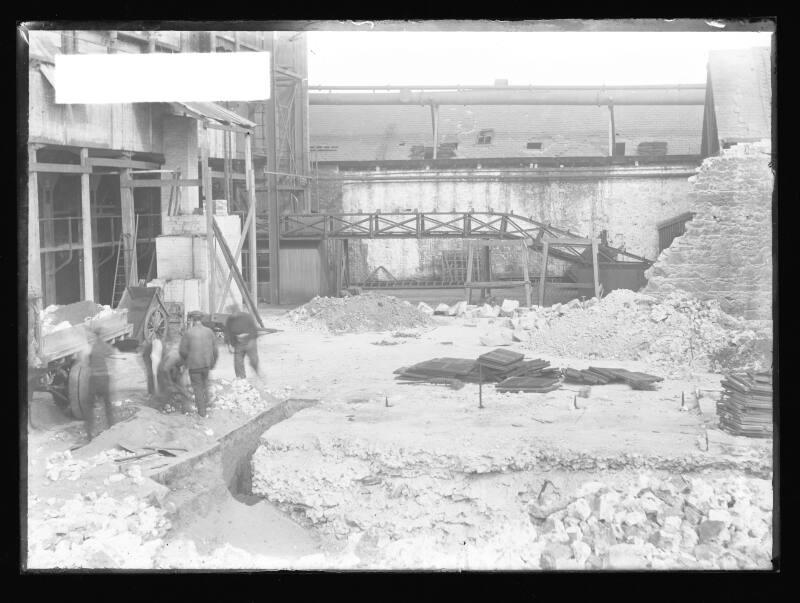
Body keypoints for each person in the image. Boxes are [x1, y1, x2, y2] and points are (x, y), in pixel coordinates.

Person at [179, 311, 218, 417]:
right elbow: (215, 350)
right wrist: (213, 363)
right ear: (201, 320)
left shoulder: (188, 333)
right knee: (205, 384)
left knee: (198, 388)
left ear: (192, 320)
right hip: (206, 365)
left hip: (194, 366)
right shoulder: (209, 331)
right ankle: (208, 405)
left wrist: (185, 362)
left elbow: (182, 351)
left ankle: (202, 413)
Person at [86, 327, 116, 439]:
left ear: (94, 335)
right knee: (108, 404)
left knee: (89, 406)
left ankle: (89, 433)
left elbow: (88, 361)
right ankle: (111, 427)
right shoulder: (104, 345)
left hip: (94, 379)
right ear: (101, 335)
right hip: (104, 378)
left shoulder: (92, 347)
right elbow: (111, 352)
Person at [224, 303, 261, 380]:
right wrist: (229, 345)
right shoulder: (230, 320)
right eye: (230, 313)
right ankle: (241, 379)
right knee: (238, 362)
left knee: (253, 360)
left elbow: (254, 330)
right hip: (238, 343)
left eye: (233, 313)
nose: (232, 315)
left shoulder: (247, 317)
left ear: (237, 311)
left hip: (250, 341)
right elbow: (227, 332)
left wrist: (248, 337)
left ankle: (257, 373)